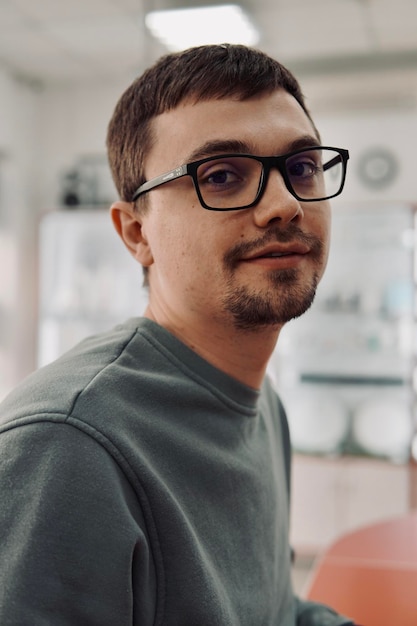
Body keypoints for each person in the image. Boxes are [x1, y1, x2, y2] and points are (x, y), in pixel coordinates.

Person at [0, 44, 354, 625]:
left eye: (302, 167)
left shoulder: (266, 407)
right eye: (221, 176)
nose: (284, 205)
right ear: (137, 232)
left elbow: (274, 609)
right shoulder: (65, 448)